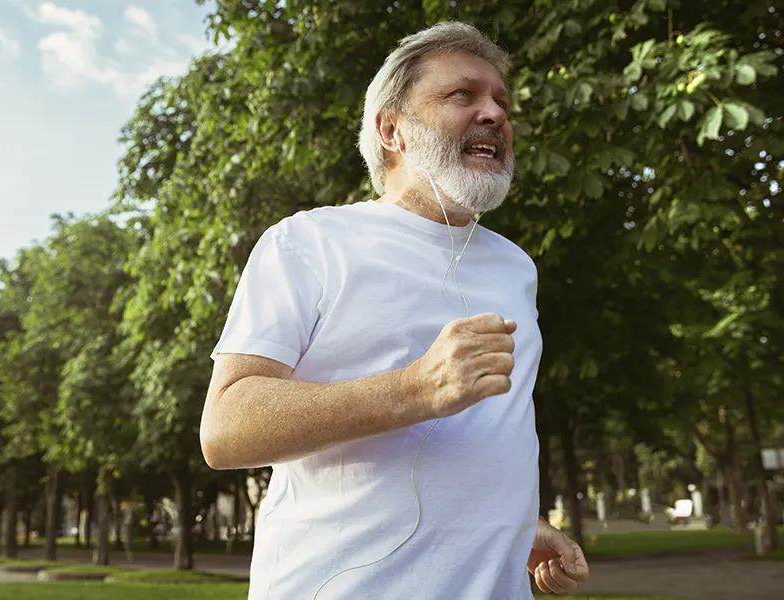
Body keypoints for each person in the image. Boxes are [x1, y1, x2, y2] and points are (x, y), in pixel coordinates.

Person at [200, 21, 590, 600]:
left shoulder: (516, 267)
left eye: (502, 102)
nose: (495, 114)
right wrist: (415, 389)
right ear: (392, 130)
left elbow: (478, 436)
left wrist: (512, 525)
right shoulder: (308, 242)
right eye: (464, 95)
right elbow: (226, 430)